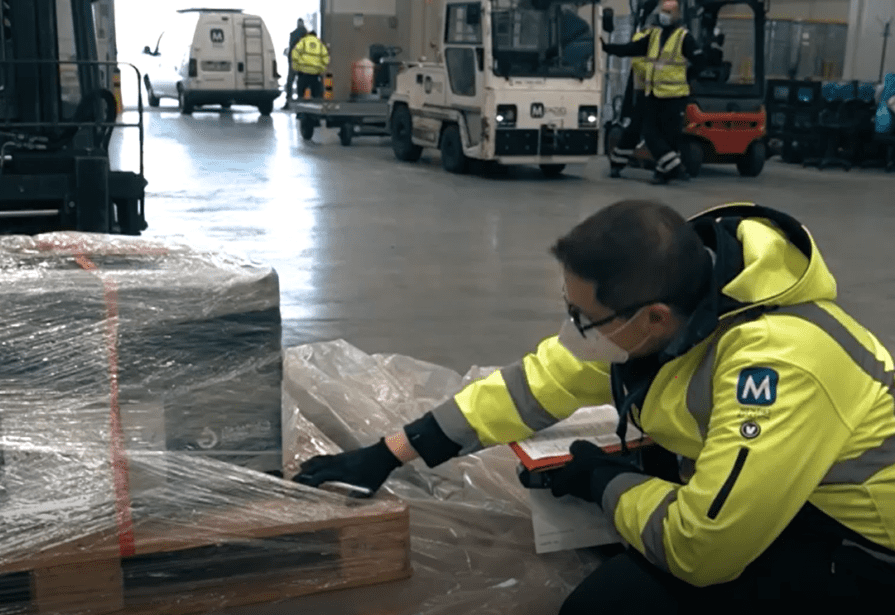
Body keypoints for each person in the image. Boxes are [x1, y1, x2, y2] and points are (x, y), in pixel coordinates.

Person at [295, 200, 895, 612]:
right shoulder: (682, 300)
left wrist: (606, 483)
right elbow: (538, 384)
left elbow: (702, 549)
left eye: (584, 317)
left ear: (654, 318)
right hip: (786, 492)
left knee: (605, 605)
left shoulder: (780, 365)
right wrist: (394, 450)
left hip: (858, 547)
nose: (572, 330)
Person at [603, 0, 697, 184]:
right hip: (649, 91)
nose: (664, 15)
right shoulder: (652, 35)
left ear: (677, 15)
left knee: (656, 132)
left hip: (668, 93)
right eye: (663, 11)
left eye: (668, 12)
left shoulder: (682, 37)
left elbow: (698, 61)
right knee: (641, 130)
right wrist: (609, 48)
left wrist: (687, 76)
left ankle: (669, 169)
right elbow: (633, 50)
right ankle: (667, 168)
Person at [608, 27, 655, 178]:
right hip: (646, 90)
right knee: (637, 128)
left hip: (664, 92)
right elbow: (639, 63)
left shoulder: (676, 37)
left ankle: (669, 166)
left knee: (656, 131)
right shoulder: (646, 38)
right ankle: (617, 163)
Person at [290, 30, 329, 101]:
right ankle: (316, 102)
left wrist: (297, 66)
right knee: (316, 92)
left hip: (303, 71)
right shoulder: (320, 44)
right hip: (315, 72)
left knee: (301, 91)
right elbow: (326, 58)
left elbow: (294, 54)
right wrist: (322, 69)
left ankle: (300, 101)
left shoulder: (303, 41)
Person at [282, 18, 307, 110]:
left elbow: (292, 47)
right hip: (304, 64)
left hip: (294, 62)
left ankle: (288, 102)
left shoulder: (294, 34)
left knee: (290, 82)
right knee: (303, 83)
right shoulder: (307, 35)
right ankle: (303, 102)